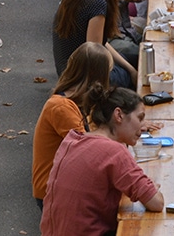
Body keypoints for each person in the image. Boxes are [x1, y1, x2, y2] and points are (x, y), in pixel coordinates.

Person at [40, 86, 164, 235]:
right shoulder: (114, 151)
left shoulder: (72, 140)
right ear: (118, 115)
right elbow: (157, 203)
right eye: (140, 118)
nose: (143, 127)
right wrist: (150, 188)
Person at [32, 43, 114, 208]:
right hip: (54, 190)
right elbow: (86, 148)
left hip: (67, 184)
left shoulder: (79, 102)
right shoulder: (61, 107)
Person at [53, 0, 136, 88]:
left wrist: (130, 68)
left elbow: (101, 42)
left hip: (67, 72)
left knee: (131, 61)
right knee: (130, 70)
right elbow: (95, 52)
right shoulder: (97, 4)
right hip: (84, 79)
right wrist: (129, 72)